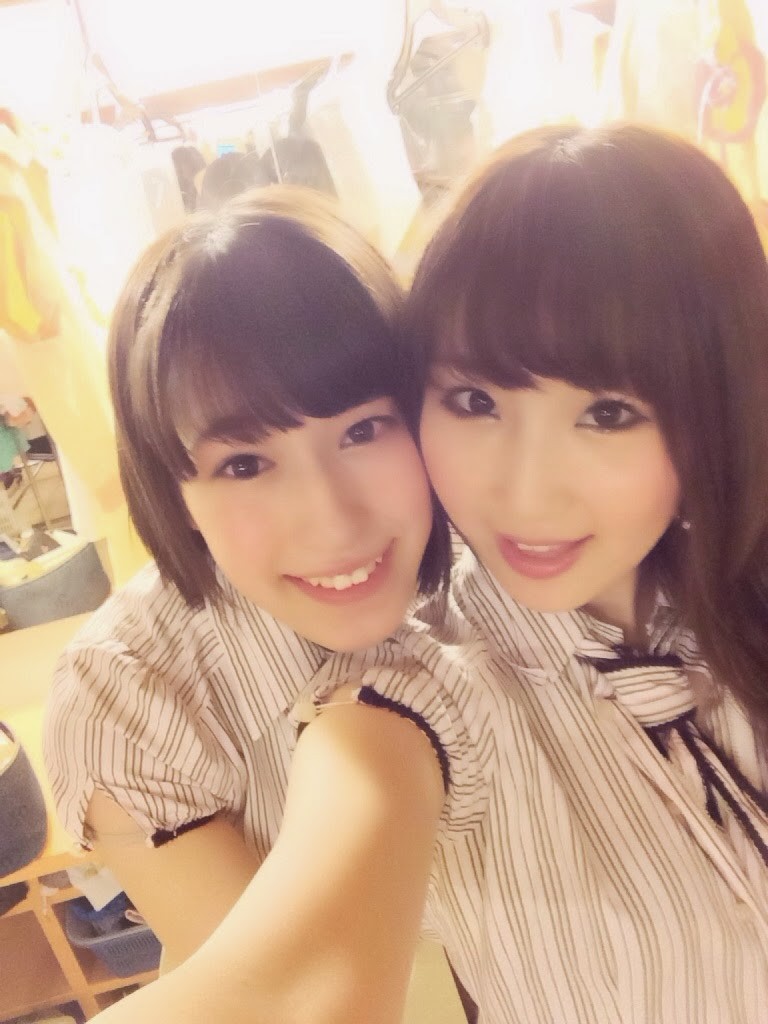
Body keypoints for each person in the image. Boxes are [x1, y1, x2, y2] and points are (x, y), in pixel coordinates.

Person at [84, 123, 768, 1024]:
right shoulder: (420, 694)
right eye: (476, 400)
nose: (525, 493)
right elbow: (291, 988)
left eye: (607, 413)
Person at [43, 186, 453, 1018]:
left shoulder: (514, 567)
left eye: (364, 429)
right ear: (173, 491)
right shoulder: (131, 696)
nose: (333, 521)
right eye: (244, 465)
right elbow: (287, 1002)